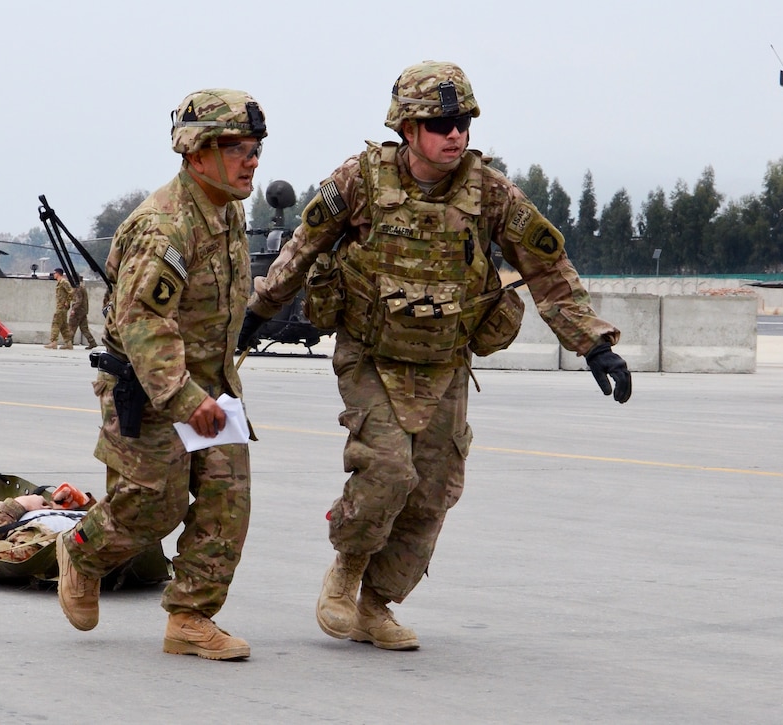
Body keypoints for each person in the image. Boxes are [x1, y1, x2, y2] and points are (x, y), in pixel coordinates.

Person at [239, 61, 632, 651]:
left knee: (433, 490)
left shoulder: (491, 193)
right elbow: (304, 245)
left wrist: (594, 344)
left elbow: (547, 266)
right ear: (407, 128)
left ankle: (376, 605)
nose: (456, 134)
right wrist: (259, 311)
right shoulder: (359, 180)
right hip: (371, 354)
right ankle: (346, 570)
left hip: (445, 361)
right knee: (388, 470)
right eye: (441, 123)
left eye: (463, 123)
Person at [55, 88, 267, 661]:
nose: (251, 160)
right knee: (155, 506)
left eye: (256, 148)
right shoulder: (164, 226)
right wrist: (183, 396)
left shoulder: (227, 210)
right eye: (237, 148)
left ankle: (191, 618)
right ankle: (82, 551)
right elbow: (144, 321)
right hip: (151, 387)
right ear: (196, 153)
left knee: (228, 500)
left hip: (212, 385)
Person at [44, 268, 74, 349]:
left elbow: (71, 292)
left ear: (58, 273)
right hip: (61, 307)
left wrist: (67, 302)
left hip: (61, 307)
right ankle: (68, 343)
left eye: (55, 273)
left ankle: (53, 342)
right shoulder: (60, 283)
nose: (54, 275)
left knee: (55, 323)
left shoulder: (64, 282)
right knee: (63, 326)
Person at [67, 280, 97, 349]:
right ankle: (92, 342)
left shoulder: (78, 288)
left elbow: (78, 300)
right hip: (83, 311)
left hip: (78, 311)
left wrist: (74, 309)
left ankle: (69, 343)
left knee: (71, 327)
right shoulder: (82, 287)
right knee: (84, 328)